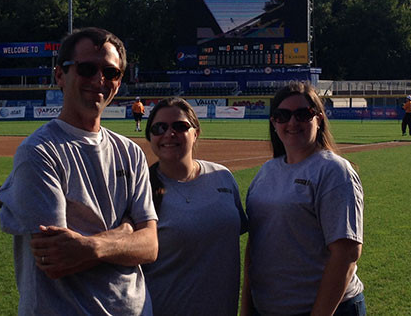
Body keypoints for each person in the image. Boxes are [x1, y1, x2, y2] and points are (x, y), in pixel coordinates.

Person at [0, 27, 158, 315]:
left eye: (111, 73)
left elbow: (150, 247)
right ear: (60, 75)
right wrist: (126, 230)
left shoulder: (131, 152)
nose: (99, 80)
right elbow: (56, 260)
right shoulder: (39, 151)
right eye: (86, 69)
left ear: (119, 83)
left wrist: (91, 246)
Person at [241, 81, 365, 316]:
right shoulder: (266, 172)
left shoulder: (334, 171)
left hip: (326, 309)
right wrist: (247, 308)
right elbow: (255, 247)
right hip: (268, 308)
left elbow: (346, 253)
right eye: (282, 115)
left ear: (318, 119)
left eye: (302, 114)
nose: (292, 122)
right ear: (273, 122)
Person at [142, 97, 248, 316]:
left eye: (180, 126)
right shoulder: (141, 189)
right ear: (150, 136)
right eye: (160, 127)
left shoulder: (223, 176)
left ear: (196, 132)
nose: (169, 134)